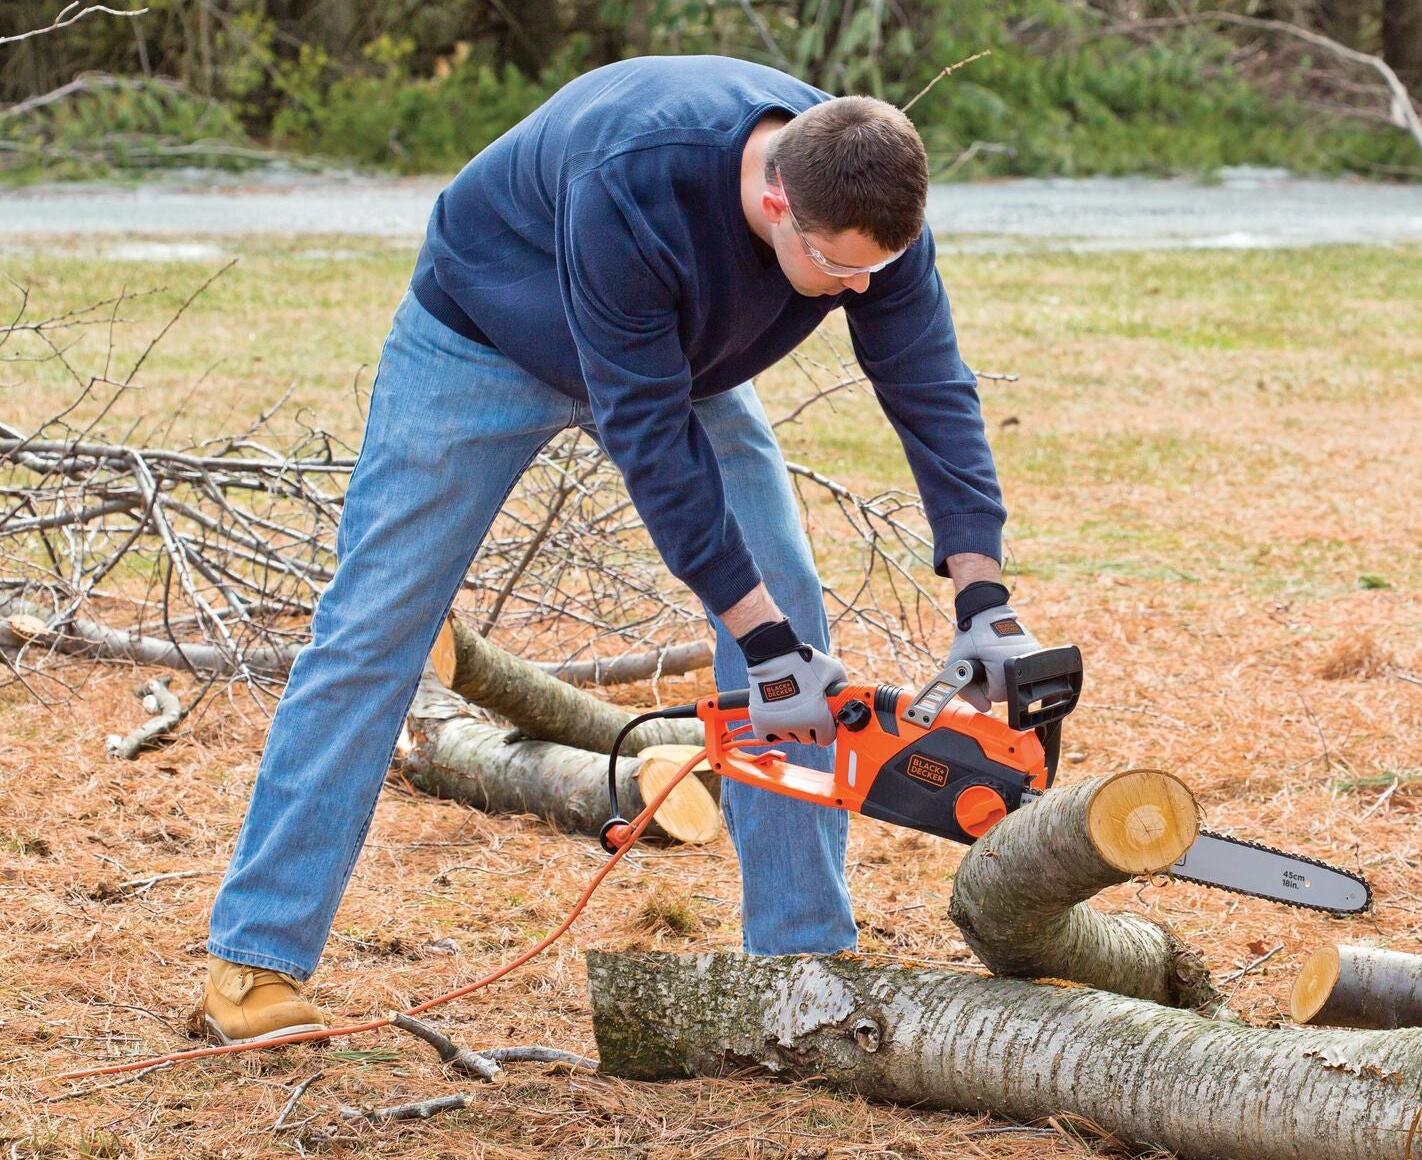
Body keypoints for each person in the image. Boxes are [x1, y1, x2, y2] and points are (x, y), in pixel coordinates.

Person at [198, 56, 1042, 1043]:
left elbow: (929, 383)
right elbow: (651, 443)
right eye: (838, 267)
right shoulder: (634, 178)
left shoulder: (863, 191)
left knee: (788, 611)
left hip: (671, 354)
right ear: (776, 201)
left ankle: (801, 961)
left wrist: (982, 596)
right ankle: (254, 960)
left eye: (875, 269)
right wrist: (760, 642)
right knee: (373, 628)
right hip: (483, 335)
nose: (858, 288)